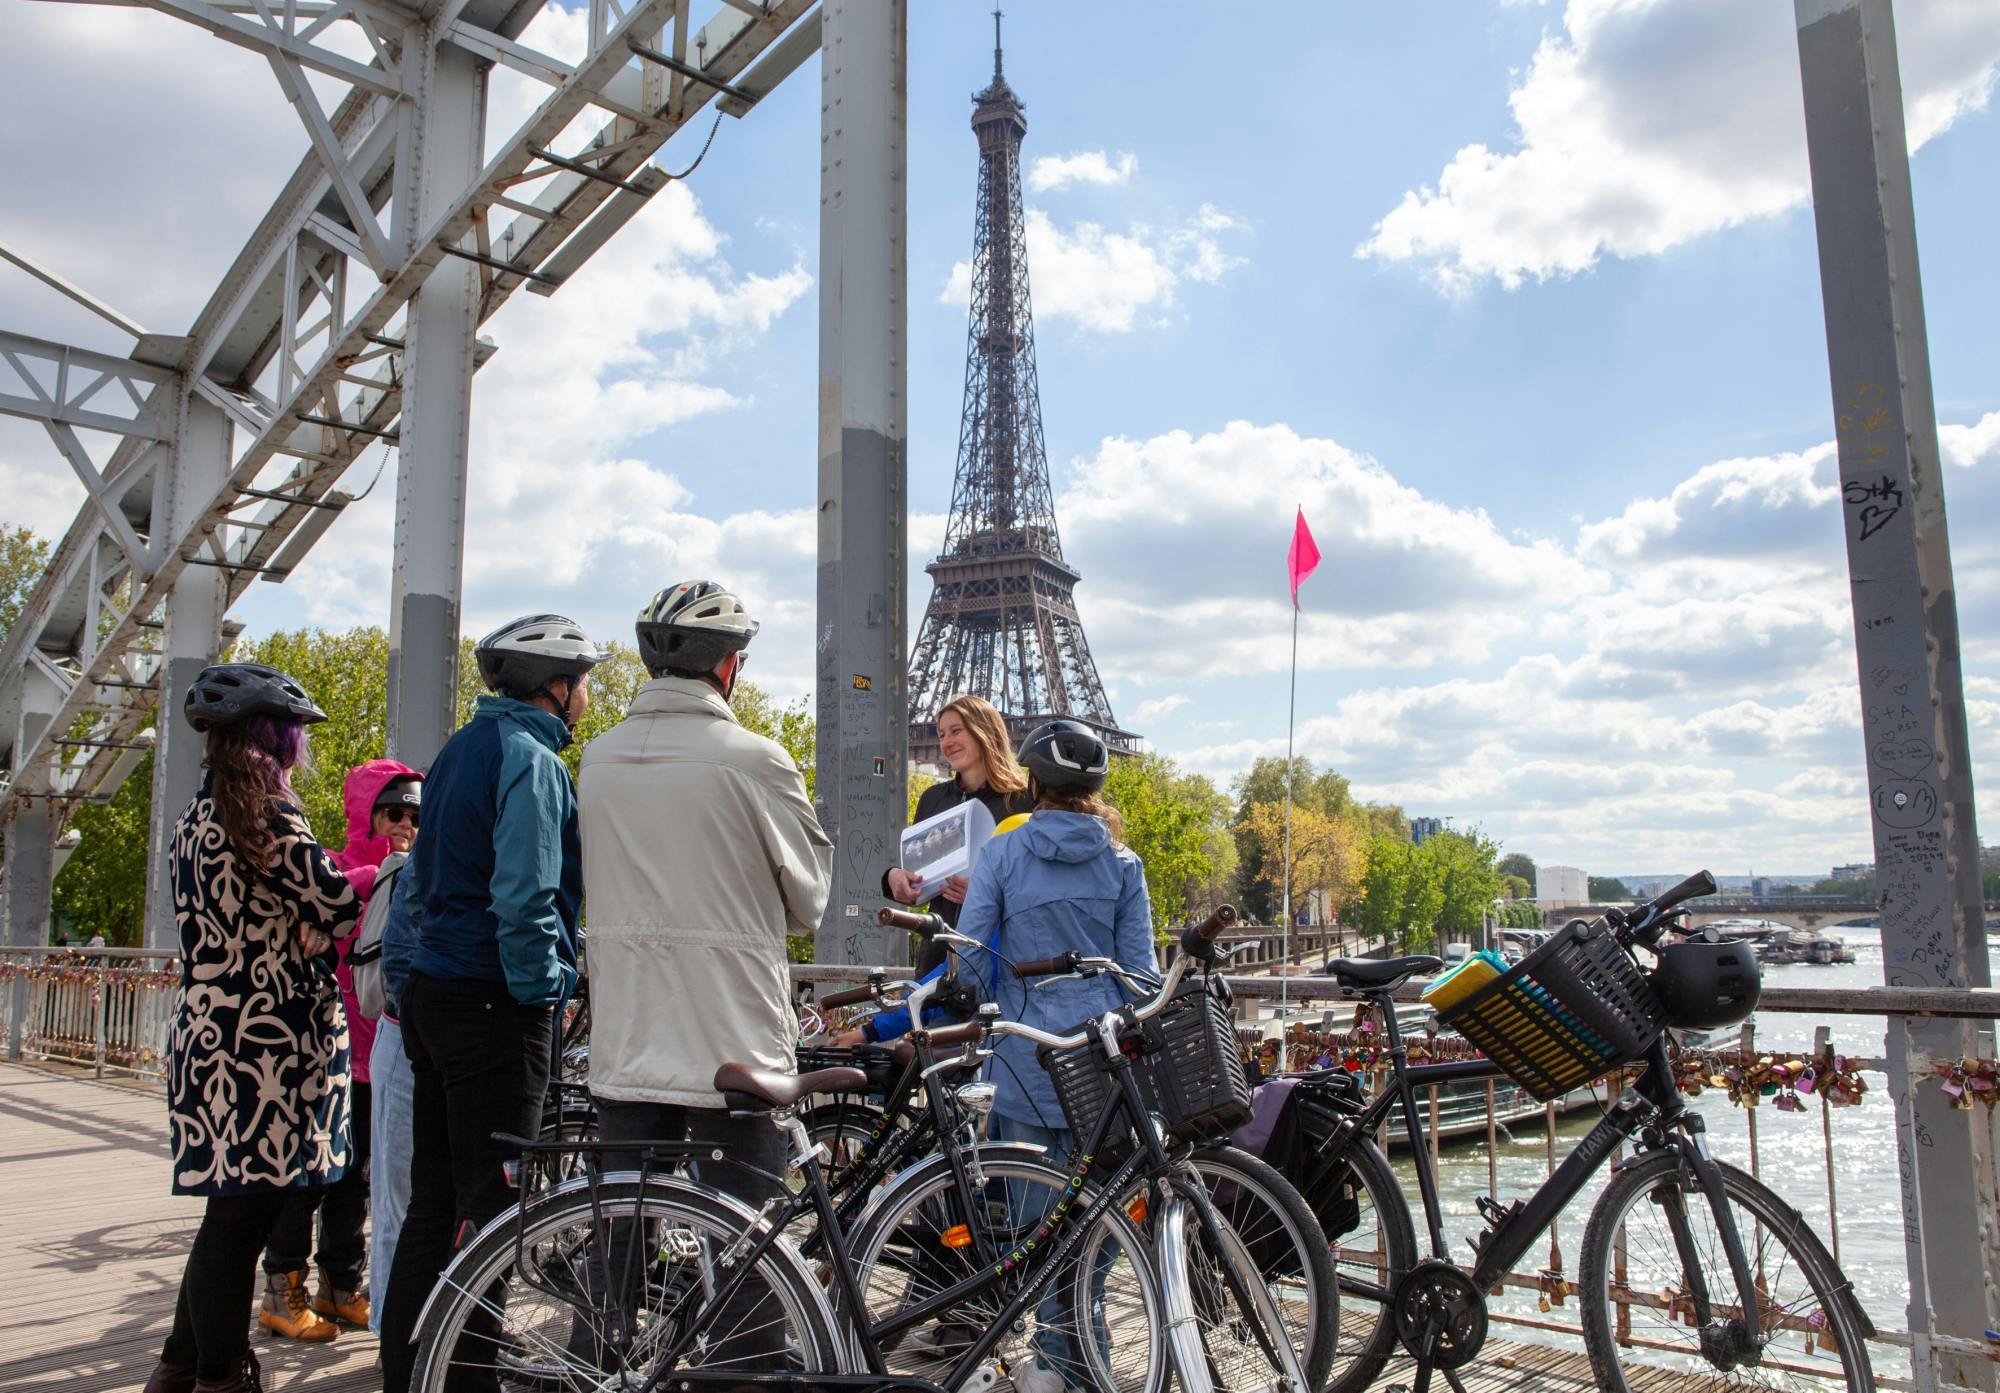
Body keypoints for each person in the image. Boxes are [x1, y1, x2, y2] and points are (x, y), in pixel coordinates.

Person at [842, 719, 1153, 1393]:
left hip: (1025, 1064)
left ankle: (1056, 1362)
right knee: (1096, 1229)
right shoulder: (1126, 865)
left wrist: (899, 1015)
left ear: (1034, 784)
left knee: (1030, 1229)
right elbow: (1142, 978)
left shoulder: (1004, 857)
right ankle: (1081, 1355)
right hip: (1101, 1068)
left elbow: (970, 968)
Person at [574, 581, 832, 1363]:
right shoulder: (757, 760)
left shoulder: (598, 755)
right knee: (747, 1239)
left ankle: (597, 1364)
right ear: (727, 668)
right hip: (731, 1038)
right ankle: (744, 1371)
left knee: (618, 1237)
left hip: (627, 1036)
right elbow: (808, 902)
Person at [377, 614, 605, 1393]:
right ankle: (469, 1379)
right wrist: (546, 994)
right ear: (557, 685)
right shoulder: (531, 760)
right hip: (494, 1008)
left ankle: (408, 1373)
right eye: (584, 681)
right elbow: (526, 899)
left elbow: (420, 885)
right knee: (497, 1208)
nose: (586, 696)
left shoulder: (456, 750)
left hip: (434, 998)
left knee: (432, 1204)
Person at [143, 664, 361, 1393]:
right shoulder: (267, 812)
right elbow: (334, 901)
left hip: (210, 1032)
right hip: (268, 1041)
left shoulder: (196, 818)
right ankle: (219, 1375)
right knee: (245, 1218)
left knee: (228, 1210)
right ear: (275, 736)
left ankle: (179, 1362)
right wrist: (312, 918)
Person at [256, 760, 419, 1342]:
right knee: (310, 1176)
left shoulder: (407, 876)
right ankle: (283, 1286)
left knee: (358, 1179)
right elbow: (324, 911)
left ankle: (341, 1283)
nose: (405, 824)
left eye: (415, 815)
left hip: (380, 1049)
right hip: (326, 1047)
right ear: (366, 814)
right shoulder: (341, 872)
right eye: (393, 812)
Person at [886, 695, 1033, 973]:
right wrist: (894, 877)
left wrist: (985, 896)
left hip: (1004, 961)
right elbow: (919, 878)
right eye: (942, 734)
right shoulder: (932, 799)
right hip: (941, 959)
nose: (946, 742)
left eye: (956, 731)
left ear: (984, 731)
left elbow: (1042, 888)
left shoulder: (1025, 802)